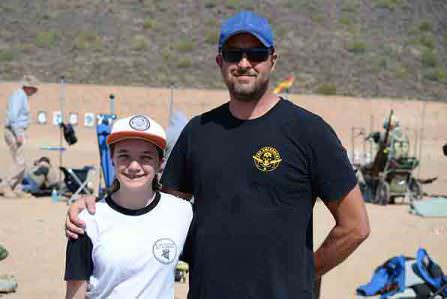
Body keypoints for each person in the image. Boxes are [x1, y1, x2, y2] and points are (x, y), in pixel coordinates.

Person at [66, 11, 370, 298]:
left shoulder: (309, 132)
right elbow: (157, 211)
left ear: (273, 60)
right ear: (219, 60)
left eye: (257, 54)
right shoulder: (198, 132)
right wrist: (97, 208)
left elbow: (355, 226)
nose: (245, 62)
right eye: (234, 54)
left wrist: (304, 274)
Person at [64, 115, 192, 298]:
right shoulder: (87, 221)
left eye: (145, 157)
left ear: (160, 162)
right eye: (124, 156)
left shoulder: (182, 213)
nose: (134, 166)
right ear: (112, 158)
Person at [0, 75, 39, 198]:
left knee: (21, 162)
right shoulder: (19, 96)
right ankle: (5, 186)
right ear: (28, 88)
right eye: (34, 88)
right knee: (20, 162)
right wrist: (18, 134)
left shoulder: (22, 96)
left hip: (17, 131)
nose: (35, 91)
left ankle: (17, 188)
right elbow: (13, 117)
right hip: (13, 131)